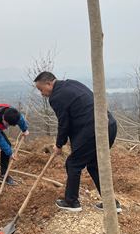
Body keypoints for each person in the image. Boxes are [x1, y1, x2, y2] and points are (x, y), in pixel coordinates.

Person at [34, 71, 121, 212]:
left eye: (41, 89)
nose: (41, 93)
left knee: (73, 164)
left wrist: (58, 144)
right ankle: (111, 203)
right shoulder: (72, 83)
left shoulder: (56, 97)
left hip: (95, 129)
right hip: (109, 124)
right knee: (94, 165)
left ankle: (71, 202)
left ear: (49, 83)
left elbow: (64, 123)